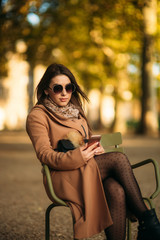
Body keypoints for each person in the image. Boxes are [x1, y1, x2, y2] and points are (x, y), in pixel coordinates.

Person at [26, 63, 160, 240]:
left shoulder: (76, 112)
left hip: (88, 169)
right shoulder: (37, 116)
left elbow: (86, 141)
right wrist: (77, 156)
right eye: (58, 88)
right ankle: (148, 221)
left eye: (69, 87)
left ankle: (148, 224)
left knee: (116, 189)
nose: (64, 92)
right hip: (63, 176)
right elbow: (45, 155)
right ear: (46, 91)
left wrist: (94, 148)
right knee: (118, 159)